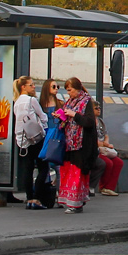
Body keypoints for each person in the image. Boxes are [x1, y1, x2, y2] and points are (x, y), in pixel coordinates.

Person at [55, 77, 97, 214]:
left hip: (81, 144)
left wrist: (74, 115)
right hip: (69, 143)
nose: (69, 93)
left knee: (77, 172)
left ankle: (76, 203)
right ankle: (70, 200)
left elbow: (89, 122)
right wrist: (60, 116)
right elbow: (66, 119)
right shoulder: (70, 101)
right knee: (68, 171)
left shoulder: (86, 101)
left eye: (70, 90)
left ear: (77, 89)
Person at [12, 76, 48, 210]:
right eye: (31, 85)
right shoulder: (31, 100)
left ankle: (29, 198)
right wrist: (44, 127)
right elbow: (42, 116)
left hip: (22, 140)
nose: (34, 87)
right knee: (43, 167)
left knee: (28, 169)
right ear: (23, 87)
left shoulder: (16, 102)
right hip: (35, 138)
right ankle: (37, 198)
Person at [90, 103, 124, 197]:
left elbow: (106, 135)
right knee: (108, 163)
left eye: (99, 108)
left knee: (118, 162)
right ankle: (103, 187)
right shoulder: (89, 121)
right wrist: (104, 144)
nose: (99, 109)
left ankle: (109, 188)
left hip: (104, 148)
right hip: (95, 149)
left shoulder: (100, 121)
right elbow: (91, 139)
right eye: (96, 108)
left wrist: (106, 143)